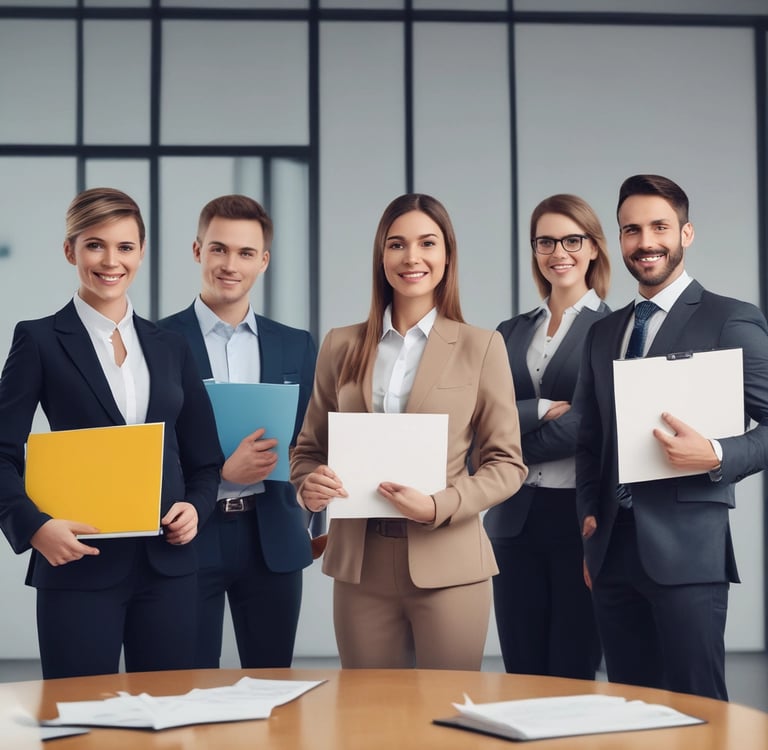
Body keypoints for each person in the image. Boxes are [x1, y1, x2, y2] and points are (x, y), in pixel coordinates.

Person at [290, 193, 527, 670]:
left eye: (427, 243)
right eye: (397, 244)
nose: (412, 257)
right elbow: (309, 449)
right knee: (368, 721)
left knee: (446, 720)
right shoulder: (341, 345)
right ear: (382, 257)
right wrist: (308, 484)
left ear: (447, 256)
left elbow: (507, 465)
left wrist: (439, 504)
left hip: (450, 561)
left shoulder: (482, 347)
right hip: (360, 566)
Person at [0, 187, 223, 679]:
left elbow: (206, 460)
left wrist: (197, 509)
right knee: (78, 721)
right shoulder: (38, 340)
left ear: (141, 252)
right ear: (70, 251)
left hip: (170, 566)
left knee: (167, 721)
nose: (111, 261)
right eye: (95, 245)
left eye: (125, 247)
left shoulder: (172, 348)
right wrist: (34, 527)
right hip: (78, 564)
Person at [575, 174, 768, 700]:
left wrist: (717, 454)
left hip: (688, 556)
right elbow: (591, 441)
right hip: (612, 555)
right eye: (631, 230)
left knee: (700, 709)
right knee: (632, 711)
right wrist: (589, 523)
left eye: (659, 226)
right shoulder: (602, 333)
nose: (645, 242)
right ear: (619, 240)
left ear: (686, 234)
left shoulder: (730, 319)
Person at [158, 194, 317, 668]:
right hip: (188, 535)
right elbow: (150, 448)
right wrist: (222, 472)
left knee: (272, 690)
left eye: (246, 253)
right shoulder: (157, 341)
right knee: (185, 688)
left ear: (263, 261)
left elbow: (308, 441)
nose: (231, 264)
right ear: (197, 251)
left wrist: (314, 487)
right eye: (218, 249)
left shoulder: (296, 344)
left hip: (272, 535)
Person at [484, 194, 609, 679]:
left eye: (572, 239)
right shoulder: (509, 332)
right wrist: (537, 409)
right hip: (512, 517)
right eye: (546, 241)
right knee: (522, 669)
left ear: (594, 248)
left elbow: (589, 426)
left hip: (578, 518)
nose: (559, 251)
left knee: (572, 669)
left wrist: (501, 448)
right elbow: (480, 417)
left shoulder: (614, 328)